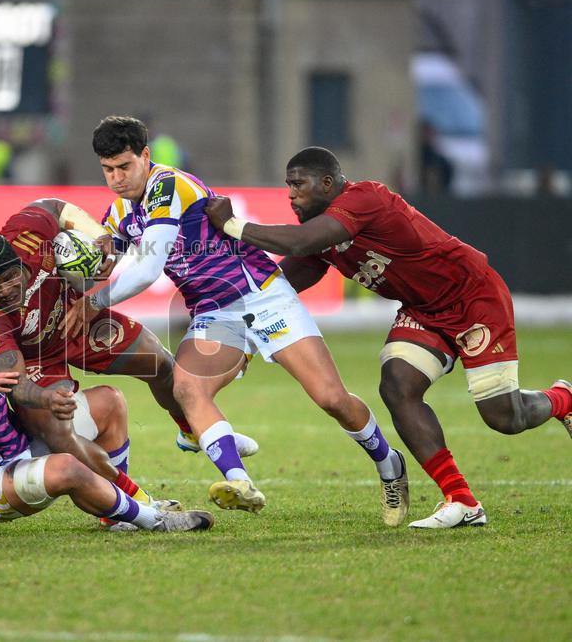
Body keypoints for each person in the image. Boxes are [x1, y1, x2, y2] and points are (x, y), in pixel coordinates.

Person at [63, 116, 409, 525]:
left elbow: (146, 270)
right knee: (189, 387)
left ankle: (390, 464)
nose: (117, 178)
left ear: (145, 156)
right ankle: (239, 482)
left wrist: (94, 302)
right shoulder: (121, 209)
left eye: (124, 166)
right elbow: (106, 256)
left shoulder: (168, 186)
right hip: (215, 312)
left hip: (263, 296)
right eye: (107, 170)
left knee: (332, 399)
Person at [204, 145, 572, 528]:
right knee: (397, 386)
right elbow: (291, 275)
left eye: (298, 184)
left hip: (472, 298)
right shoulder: (323, 228)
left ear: (328, 183)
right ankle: (461, 499)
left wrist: (233, 226)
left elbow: (302, 242)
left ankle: (563, 399)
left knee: (505, 418)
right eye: (287, 185)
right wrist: (241, 319)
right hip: (423, 311)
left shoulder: (364, 197)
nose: (291, 193)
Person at [0, 251, 214, 532]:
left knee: (109, 402)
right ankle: (152, 519)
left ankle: (117, 514)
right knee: (67, 465)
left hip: (20, 448)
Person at [0, 200, 221, 515]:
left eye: (8, 279)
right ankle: (134, 501)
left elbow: (55, 207)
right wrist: (45, 399)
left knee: (158, 360)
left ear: (18, 262)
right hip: (33, 361)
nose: (3, 291)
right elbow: (13, 383)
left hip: (74, 318)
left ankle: (189, 428)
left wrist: (102, 239)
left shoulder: (26, 232)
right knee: (59, 434)